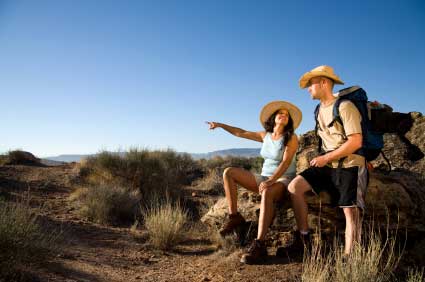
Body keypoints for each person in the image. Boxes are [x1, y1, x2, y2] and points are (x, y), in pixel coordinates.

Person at [283, 65, 367, 256]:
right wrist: (324, 159)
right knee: (294, 187)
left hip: (349, 164)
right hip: (327, 165)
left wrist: (326, 157)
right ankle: (304, 239)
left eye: (311, 84)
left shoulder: (345, 107)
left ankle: (349, 258)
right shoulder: (318, 109)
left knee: (350, 213)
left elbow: (356, 141)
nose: (308, 89)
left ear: (324, 83)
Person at [206, 100, 302, 264]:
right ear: (273, 118)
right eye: (281, 113)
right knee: (229, 172)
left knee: (266, 191)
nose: (284, 116)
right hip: (264, 177)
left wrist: (271, 180)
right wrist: (220, 125)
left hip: (283, 179)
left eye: (287, 115)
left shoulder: (291, 138)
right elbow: (240, 133)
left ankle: (260, 244)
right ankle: (234, 216)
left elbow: (286, 162)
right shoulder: (265, 136)